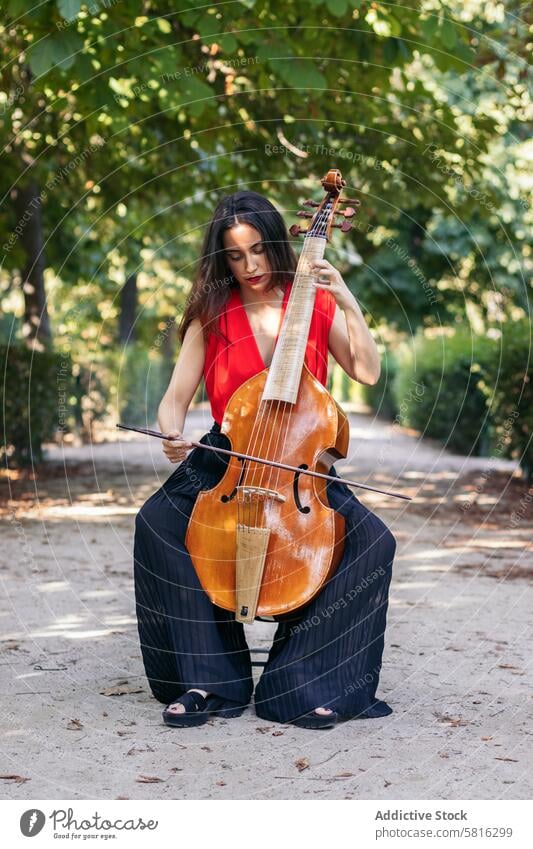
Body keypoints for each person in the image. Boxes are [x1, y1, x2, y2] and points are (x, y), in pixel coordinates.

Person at [133, 190, 397, 730]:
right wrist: (171, 434)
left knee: (373, 543)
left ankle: (303, 682)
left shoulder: (317, 305)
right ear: (220, 258)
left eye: (257, 249)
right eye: (235, 255)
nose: (250, 266)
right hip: (226, 456)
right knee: (157, 524)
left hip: (299, 465)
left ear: (276, 243)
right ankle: (209, 679)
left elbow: (367, 371)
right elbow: (174, 398)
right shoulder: (211, 313)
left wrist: (347, 299)